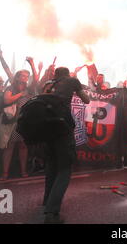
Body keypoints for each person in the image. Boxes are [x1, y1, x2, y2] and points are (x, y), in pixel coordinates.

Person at [42, 67, 90, 224]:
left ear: (55, 75)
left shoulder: (48, 83)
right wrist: (78, 88)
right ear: (67, 74)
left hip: (46, 128)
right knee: (64, 168)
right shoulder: (72, 81)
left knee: (51, 166)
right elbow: (86, 100)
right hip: (63, 127)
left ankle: (47, 202)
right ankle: (52, 212)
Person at [0, 70, 35, 181]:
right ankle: (5, 173)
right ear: (17, 77)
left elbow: (37, 79)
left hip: (25, 121)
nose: (25, 78)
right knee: (9, 147)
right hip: (12, 121)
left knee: (23, 146)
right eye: (23, 76)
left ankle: (23, 171)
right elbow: (6, 100)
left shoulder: (29, 89)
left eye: (27, 76)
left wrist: (32, 65)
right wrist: (21, 94)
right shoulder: (11, 88)